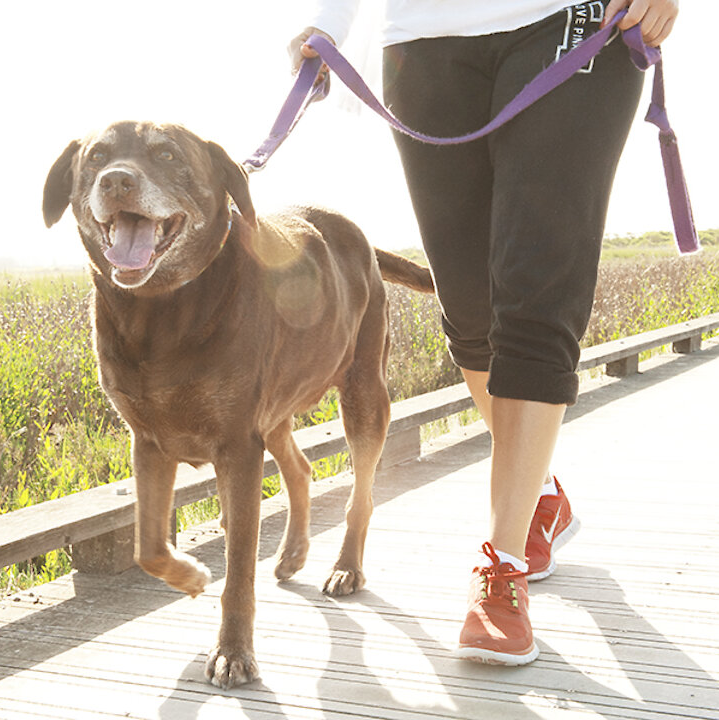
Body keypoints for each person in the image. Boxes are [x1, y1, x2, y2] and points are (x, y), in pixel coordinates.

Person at [287, 0, 680, 665]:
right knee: (470, 313)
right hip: (425, 40)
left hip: (570, 19)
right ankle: (541, 496)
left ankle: (501, 570)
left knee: (535, 297)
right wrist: (331, 21)